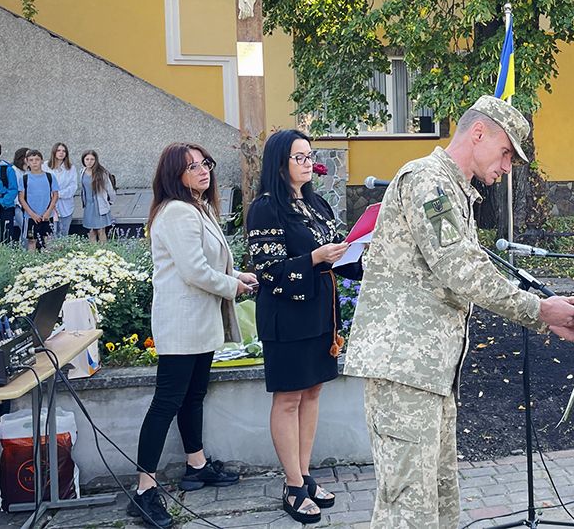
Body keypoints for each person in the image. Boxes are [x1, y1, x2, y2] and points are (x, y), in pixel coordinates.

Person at [344, 95, 574, 528]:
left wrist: (543, 311)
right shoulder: (428, 182)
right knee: (408, 509)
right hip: (405, 371)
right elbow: (461, 268)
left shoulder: (452, 189)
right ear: (478, 133)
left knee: (439, 502)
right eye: (506, 152)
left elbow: (465, 266)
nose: (507, 166)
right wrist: (538, 310)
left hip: (429, 373)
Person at [128, 143, 250, 529]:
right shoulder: (178, 212)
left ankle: (196, 465)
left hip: (199, 320)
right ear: (174, 176)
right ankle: (144, 489)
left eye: (204, 163)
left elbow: (210, 262)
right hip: (181, 322)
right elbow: (195, 271)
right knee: (166, 402)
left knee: (193, 396)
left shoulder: (200, 208)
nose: (202, 170)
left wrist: (237, 275)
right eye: (191, 167)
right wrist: (233, 286)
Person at [245, 130, 363, 523]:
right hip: (286, 315)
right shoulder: (266, 208)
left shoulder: (317, 204)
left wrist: (359, 251)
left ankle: (305, 473)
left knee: (312, 393)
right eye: (299, 157)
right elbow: (268, 270)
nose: (308, 163)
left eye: (310, 155)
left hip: (319, 313)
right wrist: (314, 257)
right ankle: (292, 484)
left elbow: (337, 253)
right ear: (279, 163)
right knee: (288, 398)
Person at [18, 150, 58, 252]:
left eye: (37, 159)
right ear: (27, 162)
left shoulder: (50, 177)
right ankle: (32, 260)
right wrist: (32, 214)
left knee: (48, 240)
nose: (34, 162)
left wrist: (48, 212)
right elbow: (21, 198)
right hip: (30, 216)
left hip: (47, 215)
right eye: (31, 160)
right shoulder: (24, 178)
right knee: (32, 241)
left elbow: (55, 195)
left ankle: (49, 260)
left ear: (42, 161)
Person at [80, 150, 115, 243]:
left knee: (101, 230)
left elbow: (109, 189)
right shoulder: (82, 172)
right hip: (89, 206)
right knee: (91, 231)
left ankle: (104, 249)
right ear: (83, 160)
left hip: (99, 205)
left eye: (92, 159)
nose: (89, 162)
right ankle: (93, 250)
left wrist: (110, 201)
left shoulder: (102, 173)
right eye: (87, 159)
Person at [46, 143, 78, 239]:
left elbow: (73, 186)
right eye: (58, 150)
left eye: (64, 151)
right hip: (49, 205)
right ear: (54, 152)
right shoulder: (45, 166)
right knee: (50, 234)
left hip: (65, 205)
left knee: (64, 234)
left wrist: (58, 194)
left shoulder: (71, 168)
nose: (61, 153)